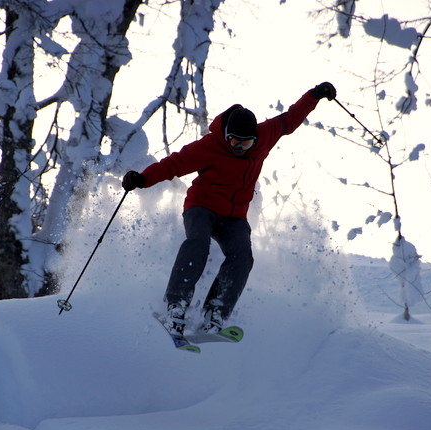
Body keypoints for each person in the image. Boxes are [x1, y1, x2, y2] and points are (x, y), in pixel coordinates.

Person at [122, 82, 337, 338]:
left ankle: (216, 311)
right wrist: (142, 179)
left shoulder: (264, 137)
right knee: (198, 244)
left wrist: (314, 95)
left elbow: (290, 119)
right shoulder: (210, 146)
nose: (238, 147)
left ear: (254, 139)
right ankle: (176, 305)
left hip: (234, 217)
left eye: (245, 144)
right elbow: (174, 164)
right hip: (201, 207)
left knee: (242, 257)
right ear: (226, 136)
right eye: (234, 141)